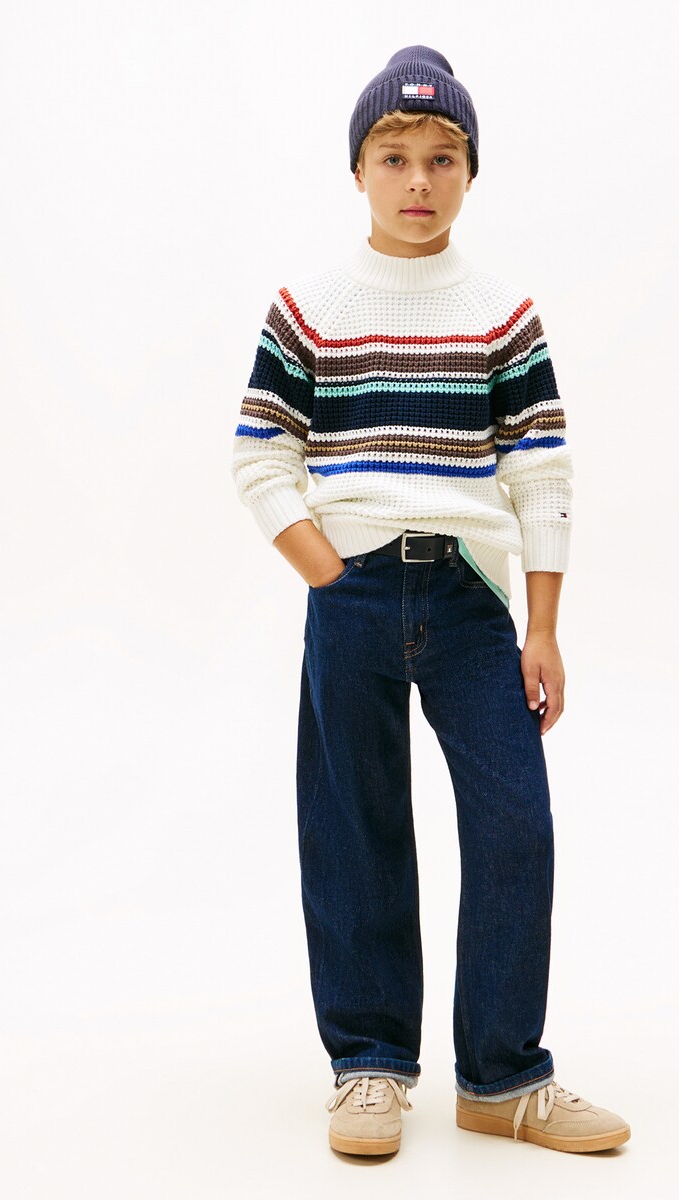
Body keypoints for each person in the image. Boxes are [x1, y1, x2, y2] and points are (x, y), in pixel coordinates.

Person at [230, 45, 631, 1159]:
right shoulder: (310, 309)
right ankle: (368, 1065)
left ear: (470, 171)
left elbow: (540, 470)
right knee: (354, 826)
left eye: (442, 158)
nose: (418, 180)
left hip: (468, 599)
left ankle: (501, 1077)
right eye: (394, 156)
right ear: (357, 169)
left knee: (515, 826)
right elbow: (261, 453)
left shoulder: (502, 314)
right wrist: (329, 570)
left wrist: (542, 625)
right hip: (352, 593)